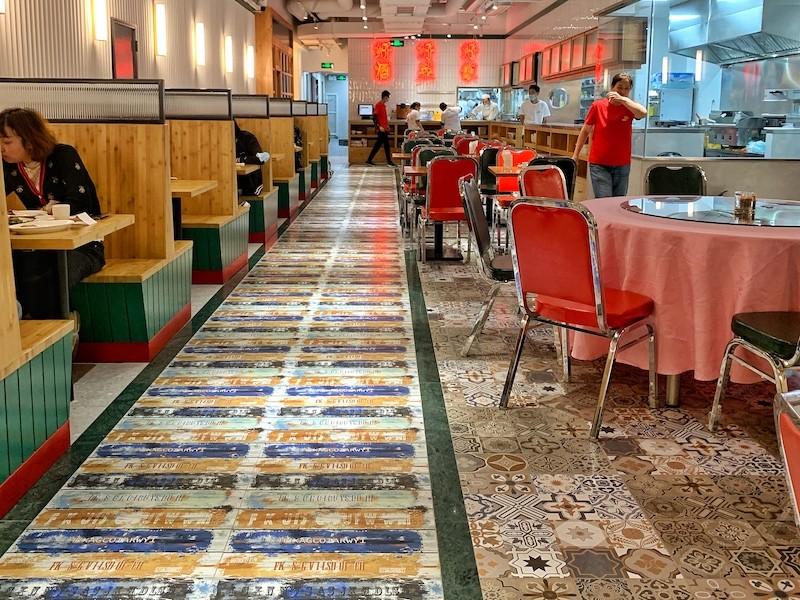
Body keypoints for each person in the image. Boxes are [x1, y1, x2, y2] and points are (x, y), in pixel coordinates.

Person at [1, 107, 105, 320]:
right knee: (15, 269)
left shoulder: (63, 156)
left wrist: (43, 212)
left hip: (82, 246)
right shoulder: (8, 167)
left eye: (7, 142)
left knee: (52, 275)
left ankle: (63, 328)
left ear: (29, 139)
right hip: (36, 246)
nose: (2, 148)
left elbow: (81, 203)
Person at [572, 72, 646, 198]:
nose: (623, 91)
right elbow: (585, 131)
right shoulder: (598, 106)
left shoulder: (630, 107)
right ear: (612, 87)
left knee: (617, 202)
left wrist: (623, 100)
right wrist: (575, 155)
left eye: (626, 89)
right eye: (619, 87)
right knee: (604, 200)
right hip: (599, 163)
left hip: (622, 163)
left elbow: (643, 113)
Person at [235, 121, 269, 196]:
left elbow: (260, 159)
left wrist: (240, 160)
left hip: (252, 181)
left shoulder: (247, 137)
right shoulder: (223, 141)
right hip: (234, 181)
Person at [366, 90, 395, 167]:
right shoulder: (379, 105)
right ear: (385, 97)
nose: (388, 99)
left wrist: (387, 126)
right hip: (381, 129)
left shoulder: (383, 105)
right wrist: (379, 126)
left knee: (379, 145)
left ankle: (369, 160)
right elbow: (374, 117)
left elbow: (383, 118)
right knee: (385, 145)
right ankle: (389, 162)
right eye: (388, 98)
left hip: (384, 129)